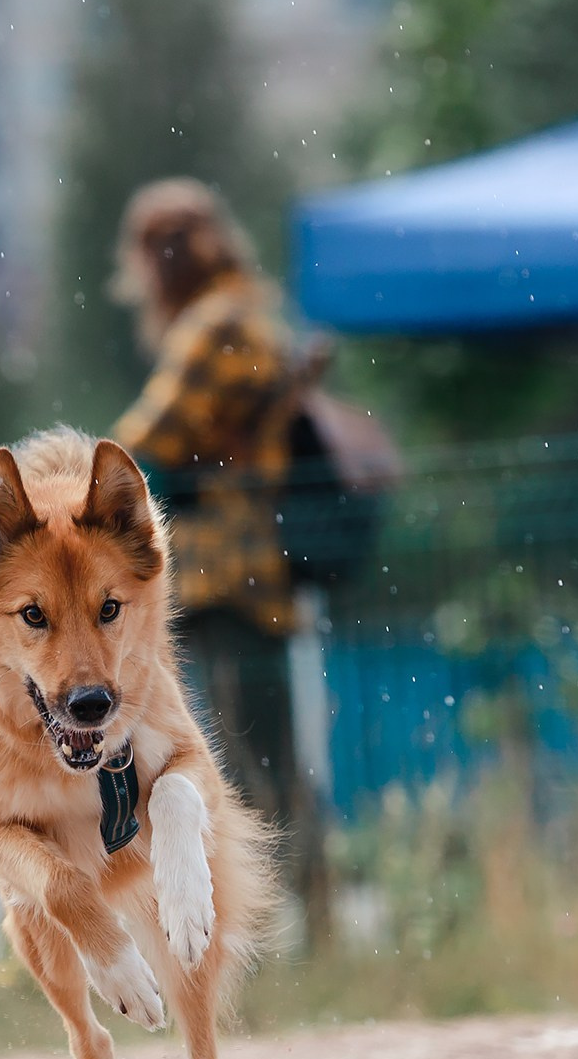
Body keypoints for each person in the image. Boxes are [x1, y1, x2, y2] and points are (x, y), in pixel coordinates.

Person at [106, 179, 395, 907]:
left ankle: (287, 921)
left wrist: (67, 479)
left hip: (228, 576)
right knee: (258, 759)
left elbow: (139, 445)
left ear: (155, 258)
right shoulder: (246, 315)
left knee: (248, 765)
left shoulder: (216, 325)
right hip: (244, 576)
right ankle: (301, 916)